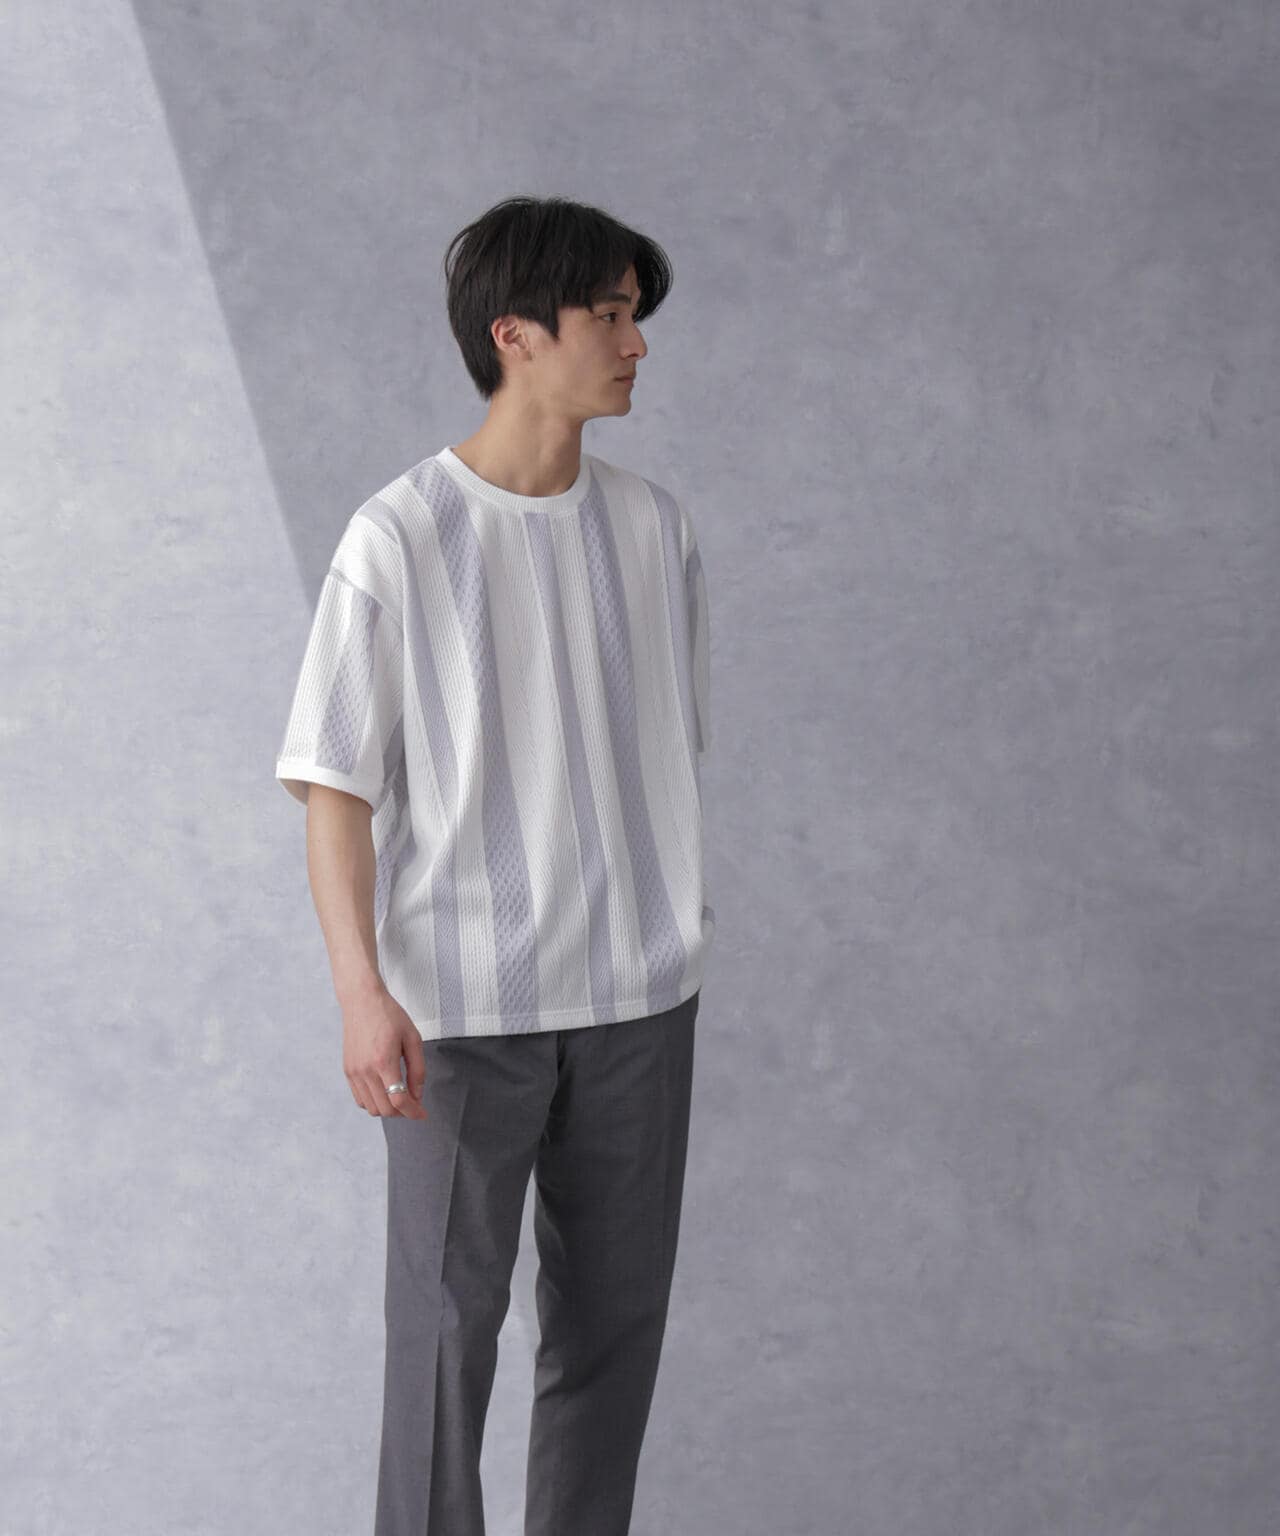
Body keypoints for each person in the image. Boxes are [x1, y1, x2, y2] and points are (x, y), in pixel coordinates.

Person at [273, 194, 714, 1536]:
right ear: (515, 334)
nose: (637, 344)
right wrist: (361, 992)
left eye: (637, 316)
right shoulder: (398, 536)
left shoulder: (657, 530)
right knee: (445, 1341)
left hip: (640, 999)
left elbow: (665, 754)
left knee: (614, 1333)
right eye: (610, 316)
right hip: (461, 1013)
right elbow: (334, 785)